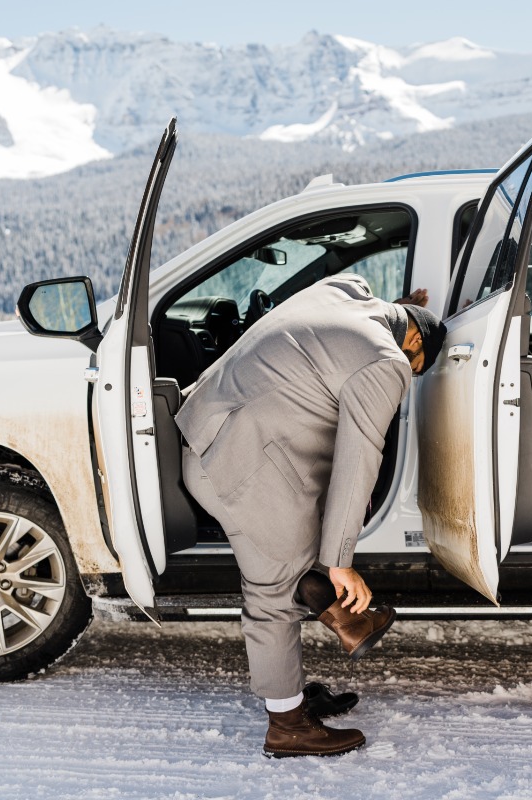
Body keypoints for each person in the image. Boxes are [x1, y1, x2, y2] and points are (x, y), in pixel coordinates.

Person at [176, 272, 446, 758]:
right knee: (272, 593)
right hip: (238, 462)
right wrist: (342, 560)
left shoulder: (343, 290)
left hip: (214, 428)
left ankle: (335, 633)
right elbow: (358, 457)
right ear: (412, 340)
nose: (411, 375)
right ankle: (287, 725)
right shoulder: (386, 362)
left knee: (298, 548)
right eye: (418, 365)